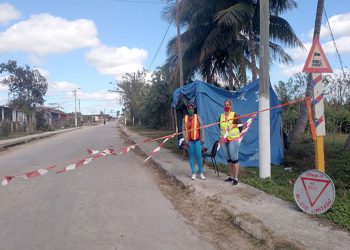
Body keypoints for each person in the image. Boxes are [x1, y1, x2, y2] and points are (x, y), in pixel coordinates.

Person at [219, 100, 243, 186]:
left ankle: (236, 179)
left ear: (231, 106)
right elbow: (220, 128)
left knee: (234, 159)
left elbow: (241, 127)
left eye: (228, 105)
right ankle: (231, 177)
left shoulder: (234, 115)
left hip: (233, 139)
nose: (226, 106)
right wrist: (222, 137)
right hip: (224, 140)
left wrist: (233, 132)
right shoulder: (221, 116)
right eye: (225, 105)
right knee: (228, 159)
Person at [182, 102, 205, 180]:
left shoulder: (197, 117)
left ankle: (201, 173)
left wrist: (202, 139)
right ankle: (193, 173)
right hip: (190, 141)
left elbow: (202, 128)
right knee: (191, 157)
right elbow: (183, 130)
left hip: (198, 140)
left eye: (192, 108)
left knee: (199, 156)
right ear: (187, 109)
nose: (191, 110)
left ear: (194, 109)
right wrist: (186, 140)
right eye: (189, 109)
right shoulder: (185, 119)